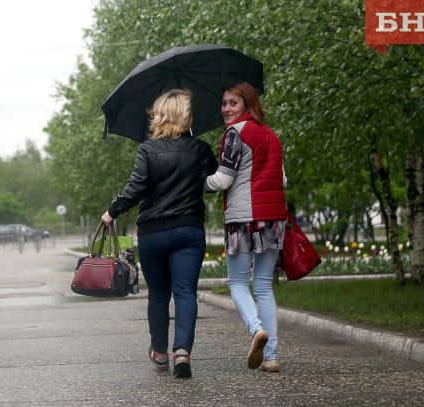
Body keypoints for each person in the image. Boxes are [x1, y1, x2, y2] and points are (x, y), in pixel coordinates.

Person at [101, 89, 218, 379]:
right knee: (185, 292)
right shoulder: (202, 149)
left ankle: (160, 351)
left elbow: (135, 187)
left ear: (160, 115)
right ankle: (182, 352)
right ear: (186, 116)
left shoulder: (147, 150)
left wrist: (112, 211)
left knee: (159, 294)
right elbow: (215, 181)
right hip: (189, 230)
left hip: (153, 232)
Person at [205, 82, 288, 373]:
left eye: (233, 103)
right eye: (224, 103)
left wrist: (197, 181)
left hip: (244, 218)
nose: (226, 108)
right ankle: (272, 357)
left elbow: (223, 180)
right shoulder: (272, 136)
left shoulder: (235, 134)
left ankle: (256, 330)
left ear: (247, 104)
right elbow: (283, 181)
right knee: (264, 285)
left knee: (238, 282)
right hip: (275, 218)